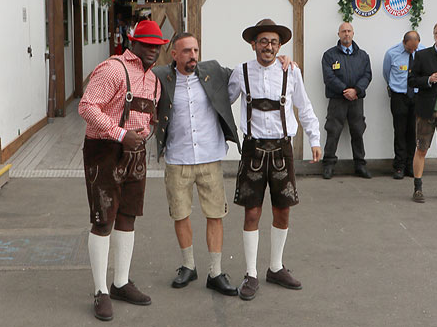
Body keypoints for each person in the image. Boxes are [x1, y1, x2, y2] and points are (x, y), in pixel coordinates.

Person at [78, 20, 169, 321]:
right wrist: (119, 133)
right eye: (147, 44)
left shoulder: (153, 79)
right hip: (104, 151)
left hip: (135, 154)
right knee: (103, 220)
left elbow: (149, 114)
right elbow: (87, 107)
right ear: (133, 42)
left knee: (128, 216)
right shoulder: (113, 69)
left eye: (157, 45)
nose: (153, 50)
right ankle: (100, 290)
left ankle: (120, 283)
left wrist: (145, 130)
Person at [228, 19, 321, 301]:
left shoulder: (291, 72)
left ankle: (276, 267)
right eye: (263, 41)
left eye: (274, 43)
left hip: (283, 150)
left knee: (283, 210)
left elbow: (304, 106)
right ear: (253, 44)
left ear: (279, 46)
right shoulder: (240, 72)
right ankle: (251, 273)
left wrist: (315, 139)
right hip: (253, 150)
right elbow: (221, 102)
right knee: (252, 212)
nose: (268, 47)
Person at [152, 33, 241, 296]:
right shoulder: (160, 77)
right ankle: (188, 266)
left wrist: (283, 61)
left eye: (196, 50)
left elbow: (243, 74)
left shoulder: (212, 70)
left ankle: (215, 271)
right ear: (174, 54)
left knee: (215, 214)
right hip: (177, 159)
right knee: (180, 214)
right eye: (187, 51)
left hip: (210, 157)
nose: (193, 55)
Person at [321, 22, 372, 179]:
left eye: (349, 31)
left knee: (357, 131)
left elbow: (367, 75)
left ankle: (360, 165)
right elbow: (329, 77)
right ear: (339, 34)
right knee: (333, 131)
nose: (346, 34)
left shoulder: (363, 55)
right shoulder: (329, 55)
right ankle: (328, 165)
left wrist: (356, 90)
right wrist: (345, 90)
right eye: (343, 31)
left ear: (353, 33)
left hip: (356, 100)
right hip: (337, 100)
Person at [407, 20, 437, 203]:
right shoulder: (422, 55)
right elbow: (411, 80)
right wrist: (428, 80)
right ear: (433, 34)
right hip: (427, 110)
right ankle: (418, 188)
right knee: (421, 149)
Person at [383, 31, 423, 179]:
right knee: (399, 132)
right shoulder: (392, 53)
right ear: (404, 42)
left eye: (415, 48)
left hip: (417, 96)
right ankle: (399, 166)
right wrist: (394, 87)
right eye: (409, 48)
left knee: (413, 132)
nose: (412, 51)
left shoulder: (423, 52)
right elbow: (386, 74)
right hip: (399, 96)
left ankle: (410, 166)